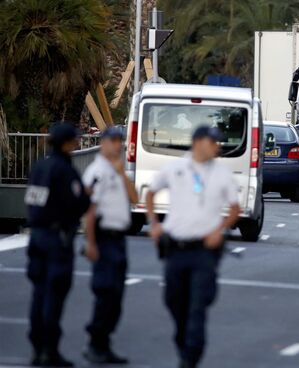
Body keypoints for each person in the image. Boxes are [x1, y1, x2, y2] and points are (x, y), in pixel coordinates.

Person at [146, 126, 240, 368]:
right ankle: (183, 342)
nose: (217, 147)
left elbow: (235, 209)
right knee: (174, 302)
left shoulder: (221, 173)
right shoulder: (175, 168)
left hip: (204, 252)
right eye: (213, 142)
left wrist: (219, 231)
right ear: (198, 142)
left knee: (198, 305)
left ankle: (190, 358)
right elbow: (151, 192)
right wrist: (154, 224)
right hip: (176, 249)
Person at [24, 123, 90, 366]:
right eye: (74, 140)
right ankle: (49, 350)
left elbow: (32, 201)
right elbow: (78, 203)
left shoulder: (39, 167)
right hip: (57, 240)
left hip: (37, 236)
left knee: (38, 294)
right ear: (66, 143)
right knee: (54, 295)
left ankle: (37, 347)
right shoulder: (64, 170)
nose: (77, 144)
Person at [81, 127, 138, 364]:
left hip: (118, 240)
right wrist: (90, 243)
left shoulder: (116, 170)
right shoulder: (96, 172)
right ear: (103, 143)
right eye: (113, 141)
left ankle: (104, 345)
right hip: (104, 239)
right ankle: (95, 342)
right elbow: (90, 212)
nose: (118, 145)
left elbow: (135, 198)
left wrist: (123, 174)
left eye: (120, 141)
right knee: (106, 292)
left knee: (116, 296)